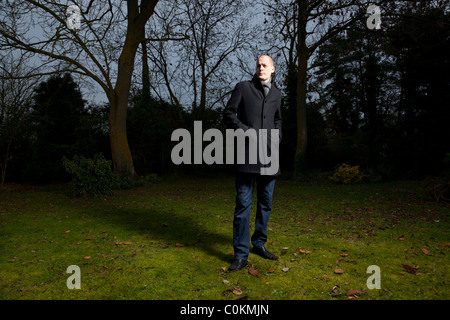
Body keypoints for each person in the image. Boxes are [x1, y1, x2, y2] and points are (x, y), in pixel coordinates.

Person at [223, 55, 282, 271]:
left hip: (270, 156)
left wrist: (277, 137)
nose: (260, 67)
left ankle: (259, 244)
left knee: (266, 203)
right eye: (258, 64)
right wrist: (246, 132)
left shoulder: (277, 93)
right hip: (247, 155)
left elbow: (278, 118)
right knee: (243, 206)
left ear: (272, 69)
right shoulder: (243, 87)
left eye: (265, 65)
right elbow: (229, 113)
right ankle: (240, 254)